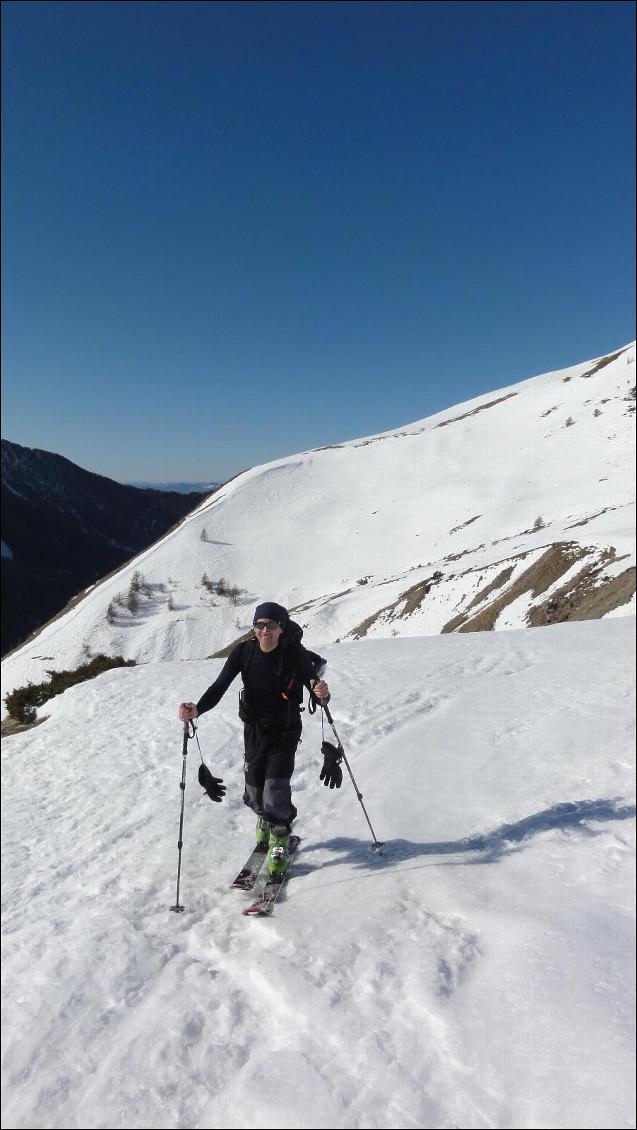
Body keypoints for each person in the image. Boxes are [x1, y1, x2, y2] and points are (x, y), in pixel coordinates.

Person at [178, 601, 331, 878]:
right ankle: (263, 817)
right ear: (253, 627)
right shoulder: (244, 652)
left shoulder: (292, 652)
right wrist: (197, 709)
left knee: (274, 791)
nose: (265, 631)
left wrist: (321, 692)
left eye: (271, 625)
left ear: (281, 628)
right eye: (259, 625)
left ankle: (281, 837)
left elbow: (312, 682)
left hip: (285, 730)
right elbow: (219, 686)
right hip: (254, 730)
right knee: (253, 791)